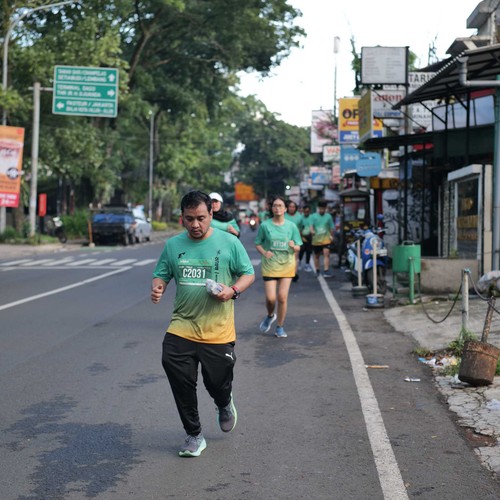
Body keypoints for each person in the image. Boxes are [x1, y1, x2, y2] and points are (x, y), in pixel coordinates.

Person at [151, 190, 255, 458]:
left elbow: (248, 273)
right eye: (189, 219)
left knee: (217, 382)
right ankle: (194, 435)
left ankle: (224, 401)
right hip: (182, 326)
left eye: (201, 218)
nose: (195, 224)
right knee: (180, 380)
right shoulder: (173, 245)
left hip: (218, 331)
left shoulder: (229, 242)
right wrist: (158, 287)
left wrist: (232, 291)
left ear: (211, 214)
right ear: (182, 218)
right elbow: (161, 273)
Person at [255, 195, 302, 338]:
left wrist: (294, 246)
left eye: (280, 205)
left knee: (282, 297)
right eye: (275, 205)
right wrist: (264, 252)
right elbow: (258, 243)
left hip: (287, 265)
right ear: (271, 208)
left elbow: (298, 246)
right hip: (270, 265)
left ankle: (280, 327)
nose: (277, 208)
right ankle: (270, 315)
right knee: (271, 299)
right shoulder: (265, 225)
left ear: (285, 209)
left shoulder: (291, 226)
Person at [310, 200, 335, 278]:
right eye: (320, 209)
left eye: (323, 209)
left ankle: (326, 270)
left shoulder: (328, 216)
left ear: (325, 208)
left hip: (326, 239)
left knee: (326, 254)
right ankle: (317, 270)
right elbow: (311, 226)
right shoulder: (313, 216)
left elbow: (331, 227)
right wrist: (312, 231)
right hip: (316, 240)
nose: (322, 210)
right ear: (318, 208)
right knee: (317, 256)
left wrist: (332, 236)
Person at [284, 200, 303, 282]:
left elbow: (301, 229)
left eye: (293, 207)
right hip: (285, 240)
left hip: (295, 240)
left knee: (295, 257)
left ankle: (294, 274)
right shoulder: (284, 216)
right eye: (290, 207)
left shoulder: (299, 217)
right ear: (287, 208)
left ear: (296, 208)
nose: (292, 208)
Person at [298, 205, 313, 272]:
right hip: (303, 237)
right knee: (302, 250)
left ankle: (307, 264)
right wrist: (301, 237)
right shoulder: (300, 218)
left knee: (308, 251)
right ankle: (299, 262)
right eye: (305, 211)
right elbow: (300, 228)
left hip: (310, 237)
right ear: (303, 211)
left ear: (309, 211)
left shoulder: (312, 217)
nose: (306, 212)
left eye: (308, 211)